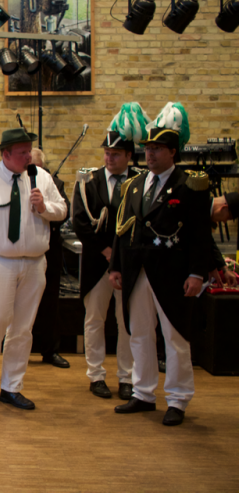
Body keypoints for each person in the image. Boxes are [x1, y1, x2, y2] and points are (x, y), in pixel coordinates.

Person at [109, 102, 214, 426]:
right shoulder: (135, 184)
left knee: (175, 337)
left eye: (156, 149)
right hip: (137, 269)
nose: (149, 154)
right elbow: (122, 228)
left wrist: (197, 272)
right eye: (147, 149)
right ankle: (143, 392)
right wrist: (116, 266)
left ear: (172, 151)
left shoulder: (189, 185)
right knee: (139, 334)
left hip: (172, 272)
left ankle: (178, 399)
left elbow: (200, 233)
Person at [0, 128, 67, 410]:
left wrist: (44, 207)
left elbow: (62, 210)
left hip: (34, 263)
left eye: (29, 151)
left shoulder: (42, 178)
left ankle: (11, 387)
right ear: (6, 154)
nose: (28, 156)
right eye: (22, 152)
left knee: (22, 328)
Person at [72, 105, 145, 400]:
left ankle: (126, 377)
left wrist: (121, 256)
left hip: (129, 263)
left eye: (115, 154)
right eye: (106, 153)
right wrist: (105, 251)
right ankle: (96, 375)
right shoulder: (89, 181)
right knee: (94, 319)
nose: (109, 158)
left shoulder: (140, 181)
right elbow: (80, 221)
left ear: (128, 155)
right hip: (97, 261)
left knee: (126, 320)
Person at [29, 147, 71, 369]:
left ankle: (50, 350)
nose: (33, 171)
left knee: (50, 301)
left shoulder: (55, 184)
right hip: (22, 252)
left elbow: (64, 213)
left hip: (50, 249)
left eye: (37, 167)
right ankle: (17, 349)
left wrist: (43, 207)